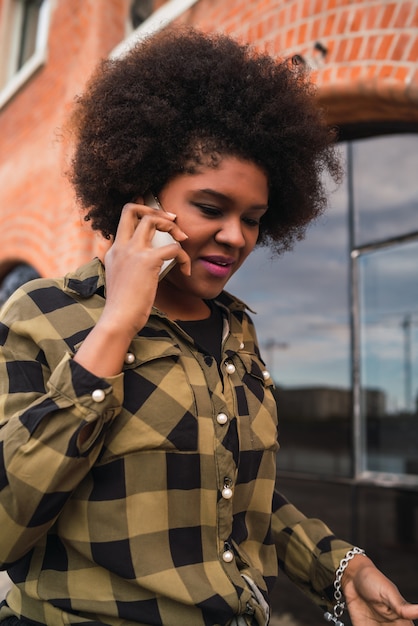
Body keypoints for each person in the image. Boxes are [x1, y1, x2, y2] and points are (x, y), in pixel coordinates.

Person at [0, 26, 417, 626]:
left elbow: (235, 496)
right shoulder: (44, 314)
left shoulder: (236, 331)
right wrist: (115, 327)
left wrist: (342, 567)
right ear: (141, 195)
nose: (236, 238)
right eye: (210, 208)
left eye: (253, 219)